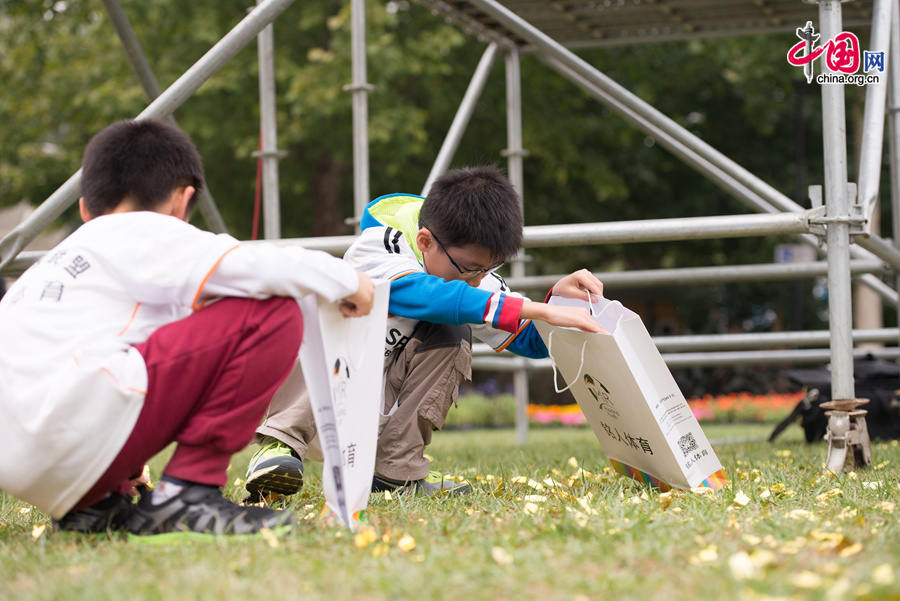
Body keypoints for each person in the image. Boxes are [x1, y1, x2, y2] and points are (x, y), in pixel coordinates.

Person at [0, 119, 374, 536]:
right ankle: (190, 488)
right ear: (182, 201)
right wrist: (351, 280)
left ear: (85, 208)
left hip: (19, 461)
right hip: (74, 426)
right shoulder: (143, 228)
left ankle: (97, 505)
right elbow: (260, 266)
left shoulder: (54, 264)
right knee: (271, 312)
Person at [245, 166, 603, 499]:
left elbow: (529, 340)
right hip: (317, 399)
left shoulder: (470, 277)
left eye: (488, 269)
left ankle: (395, 473)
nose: (478, 280)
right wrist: (532, 307)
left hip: (372, 416)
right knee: (342, 318)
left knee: (453, 328)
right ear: (425, 241)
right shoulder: (379, 246)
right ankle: (279, 447)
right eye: (469, 268)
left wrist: (562, 304)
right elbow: (424, 296)